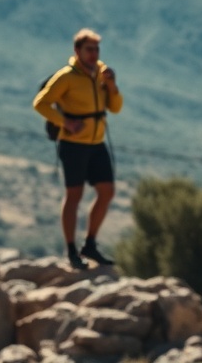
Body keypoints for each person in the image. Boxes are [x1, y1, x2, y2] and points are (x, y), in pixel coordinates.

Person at [33, 28, 123, 269]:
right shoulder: (66, 77)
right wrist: (64, 122)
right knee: (74, 195)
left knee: (107, 191)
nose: (94, 54)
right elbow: (40, 103)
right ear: (77, 51)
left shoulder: (101, 74)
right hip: (73, 145)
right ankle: (72, 250)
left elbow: (115, 108)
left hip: (97, 143)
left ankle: (90, 244)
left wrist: (112, 86)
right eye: (89, 49)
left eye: (96, 49)